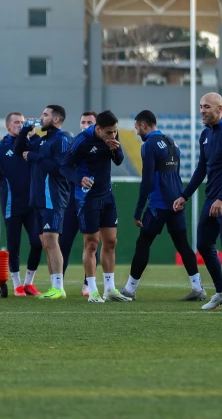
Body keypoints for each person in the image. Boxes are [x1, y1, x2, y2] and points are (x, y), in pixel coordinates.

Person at [120, 110, 206, 301]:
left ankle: (129, 290)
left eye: (136, 128)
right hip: (177, 201)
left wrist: (138, 210)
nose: (136, 133)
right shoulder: (172, 142)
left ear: (144, 125)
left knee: (143, 243)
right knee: (183, 245)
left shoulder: (149, 144)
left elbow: (147, 180)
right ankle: (198, 288)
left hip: (158, 204)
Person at [174, 92, 222, 312]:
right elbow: (201, 169)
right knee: (204, 244)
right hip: (212, 199)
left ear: (219, 109)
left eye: (207, 106)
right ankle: (221, 292)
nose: (202, 111)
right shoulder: (205, 135)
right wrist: (184, 195)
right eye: (201, 106)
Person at [61, 110, 131, 302]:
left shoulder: (112, 136)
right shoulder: (82, 140)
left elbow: (119, 160)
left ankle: (109, 289)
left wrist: (115, 149)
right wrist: (79, 179)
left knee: (111, 242)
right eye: (109, 132)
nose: (113, 135)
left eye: (115, 131)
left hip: (107, 195)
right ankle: (92, 290)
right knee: (92, 243)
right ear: (98, 129)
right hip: (87, 198)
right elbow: (65, 167)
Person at [14, 105, 71, 299]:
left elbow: (60, 167)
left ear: (56, 119)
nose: (40, 118)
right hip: (38, 199)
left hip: (53, 197)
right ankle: (54, 286)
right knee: (45, 243)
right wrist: (24, 131)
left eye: (45, 115)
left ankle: (58, 287)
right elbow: (18, 150)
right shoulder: (42, 141)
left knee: (51, 241)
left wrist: (35, 157)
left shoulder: (62, 139)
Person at [0, 112, 42, 296]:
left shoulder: (33, 144)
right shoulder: (1, 148)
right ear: (8, 126)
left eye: (23, 122)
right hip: (11, 204)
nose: (20, 125)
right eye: (17, 122)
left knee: (38, 242)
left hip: (32, 203)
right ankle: (16, 284)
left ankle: (28, 282)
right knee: (14, 244)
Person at [60, 111, 101, 296]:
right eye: (83, 121)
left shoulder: (102, 144)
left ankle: (88, 283)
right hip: (72, 199)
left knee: (92, 242)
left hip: (93, 199)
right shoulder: (75, 144)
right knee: (64, 241)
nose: (85, 124)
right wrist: (78, 179)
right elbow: (65, 168)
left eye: (89, 122)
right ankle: (58, 283)